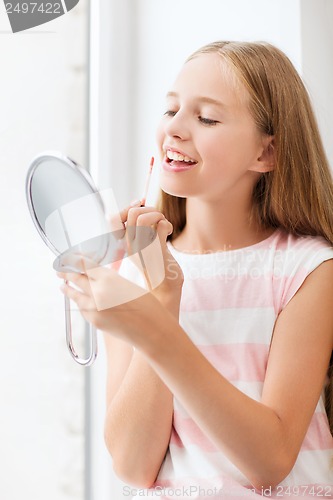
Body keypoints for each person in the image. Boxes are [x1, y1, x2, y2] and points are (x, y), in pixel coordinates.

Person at [57, 41, 333, 499]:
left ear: (266, 153)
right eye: (170, 111)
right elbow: (132, 465)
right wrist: (160, 299)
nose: (175, 130)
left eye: (206, 118)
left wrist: (157, 330)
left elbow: (270, 462)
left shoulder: (307, 270)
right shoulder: (137, 270)